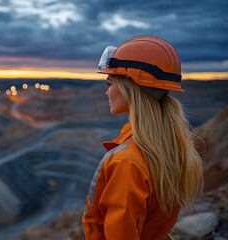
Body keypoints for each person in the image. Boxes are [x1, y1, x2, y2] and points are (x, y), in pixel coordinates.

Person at [82, 36, 204, 240]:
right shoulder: (168, 145)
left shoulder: (128, 162)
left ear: (130, 88)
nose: (106, 93)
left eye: (110, 83)